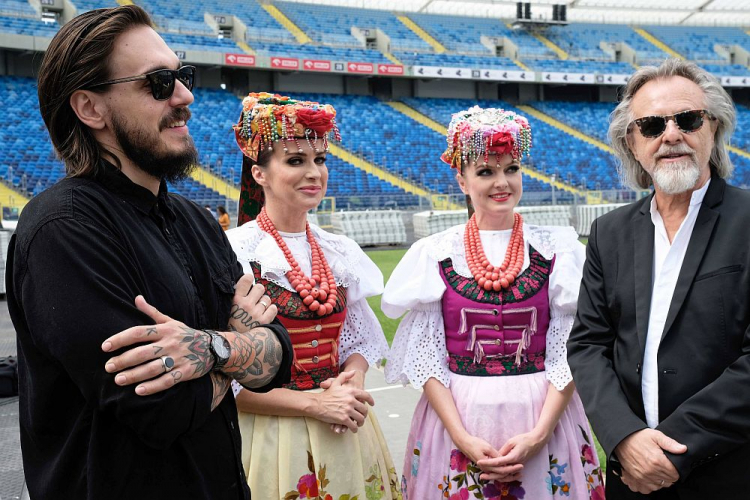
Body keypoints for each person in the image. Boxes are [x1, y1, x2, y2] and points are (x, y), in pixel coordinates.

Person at [7, 6, 292, 499]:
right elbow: (162, 410)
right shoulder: (63, 230)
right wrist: (237, 344)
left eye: (182, 75)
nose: (185, 96)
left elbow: (281, 359)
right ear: (91, 108)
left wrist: (209, 350)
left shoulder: (196, 220)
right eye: (158, 83)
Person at [383, 106, 604, 499]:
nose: (502, 182)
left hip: (543, 416)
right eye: (486, 171)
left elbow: (567, 353)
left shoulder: (558, 249)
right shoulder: (434, 253)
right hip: (458, 421)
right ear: (462, 180)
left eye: (511, 169)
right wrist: (462, 437)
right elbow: (428, 361)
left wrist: (539, 434)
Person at [567, 58, 750, 499]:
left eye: (687, 119)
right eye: (651, 126)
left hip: (729, 474)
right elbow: (588, 345)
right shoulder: (608, 233)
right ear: (632, 143)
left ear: (714, 128)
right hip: (631, 478)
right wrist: (624, 437)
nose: (670, 135)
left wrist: (673, 450)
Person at [226, 92, 401, 499]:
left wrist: (351, 379)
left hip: (343, 426)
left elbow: (358, 342)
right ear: (259, 175)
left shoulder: (338, 251)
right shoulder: (233, 253)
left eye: (319, 160)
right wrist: (314, 405)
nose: (313, 173)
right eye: (295, 160)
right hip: (270, 435)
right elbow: (224, 376)